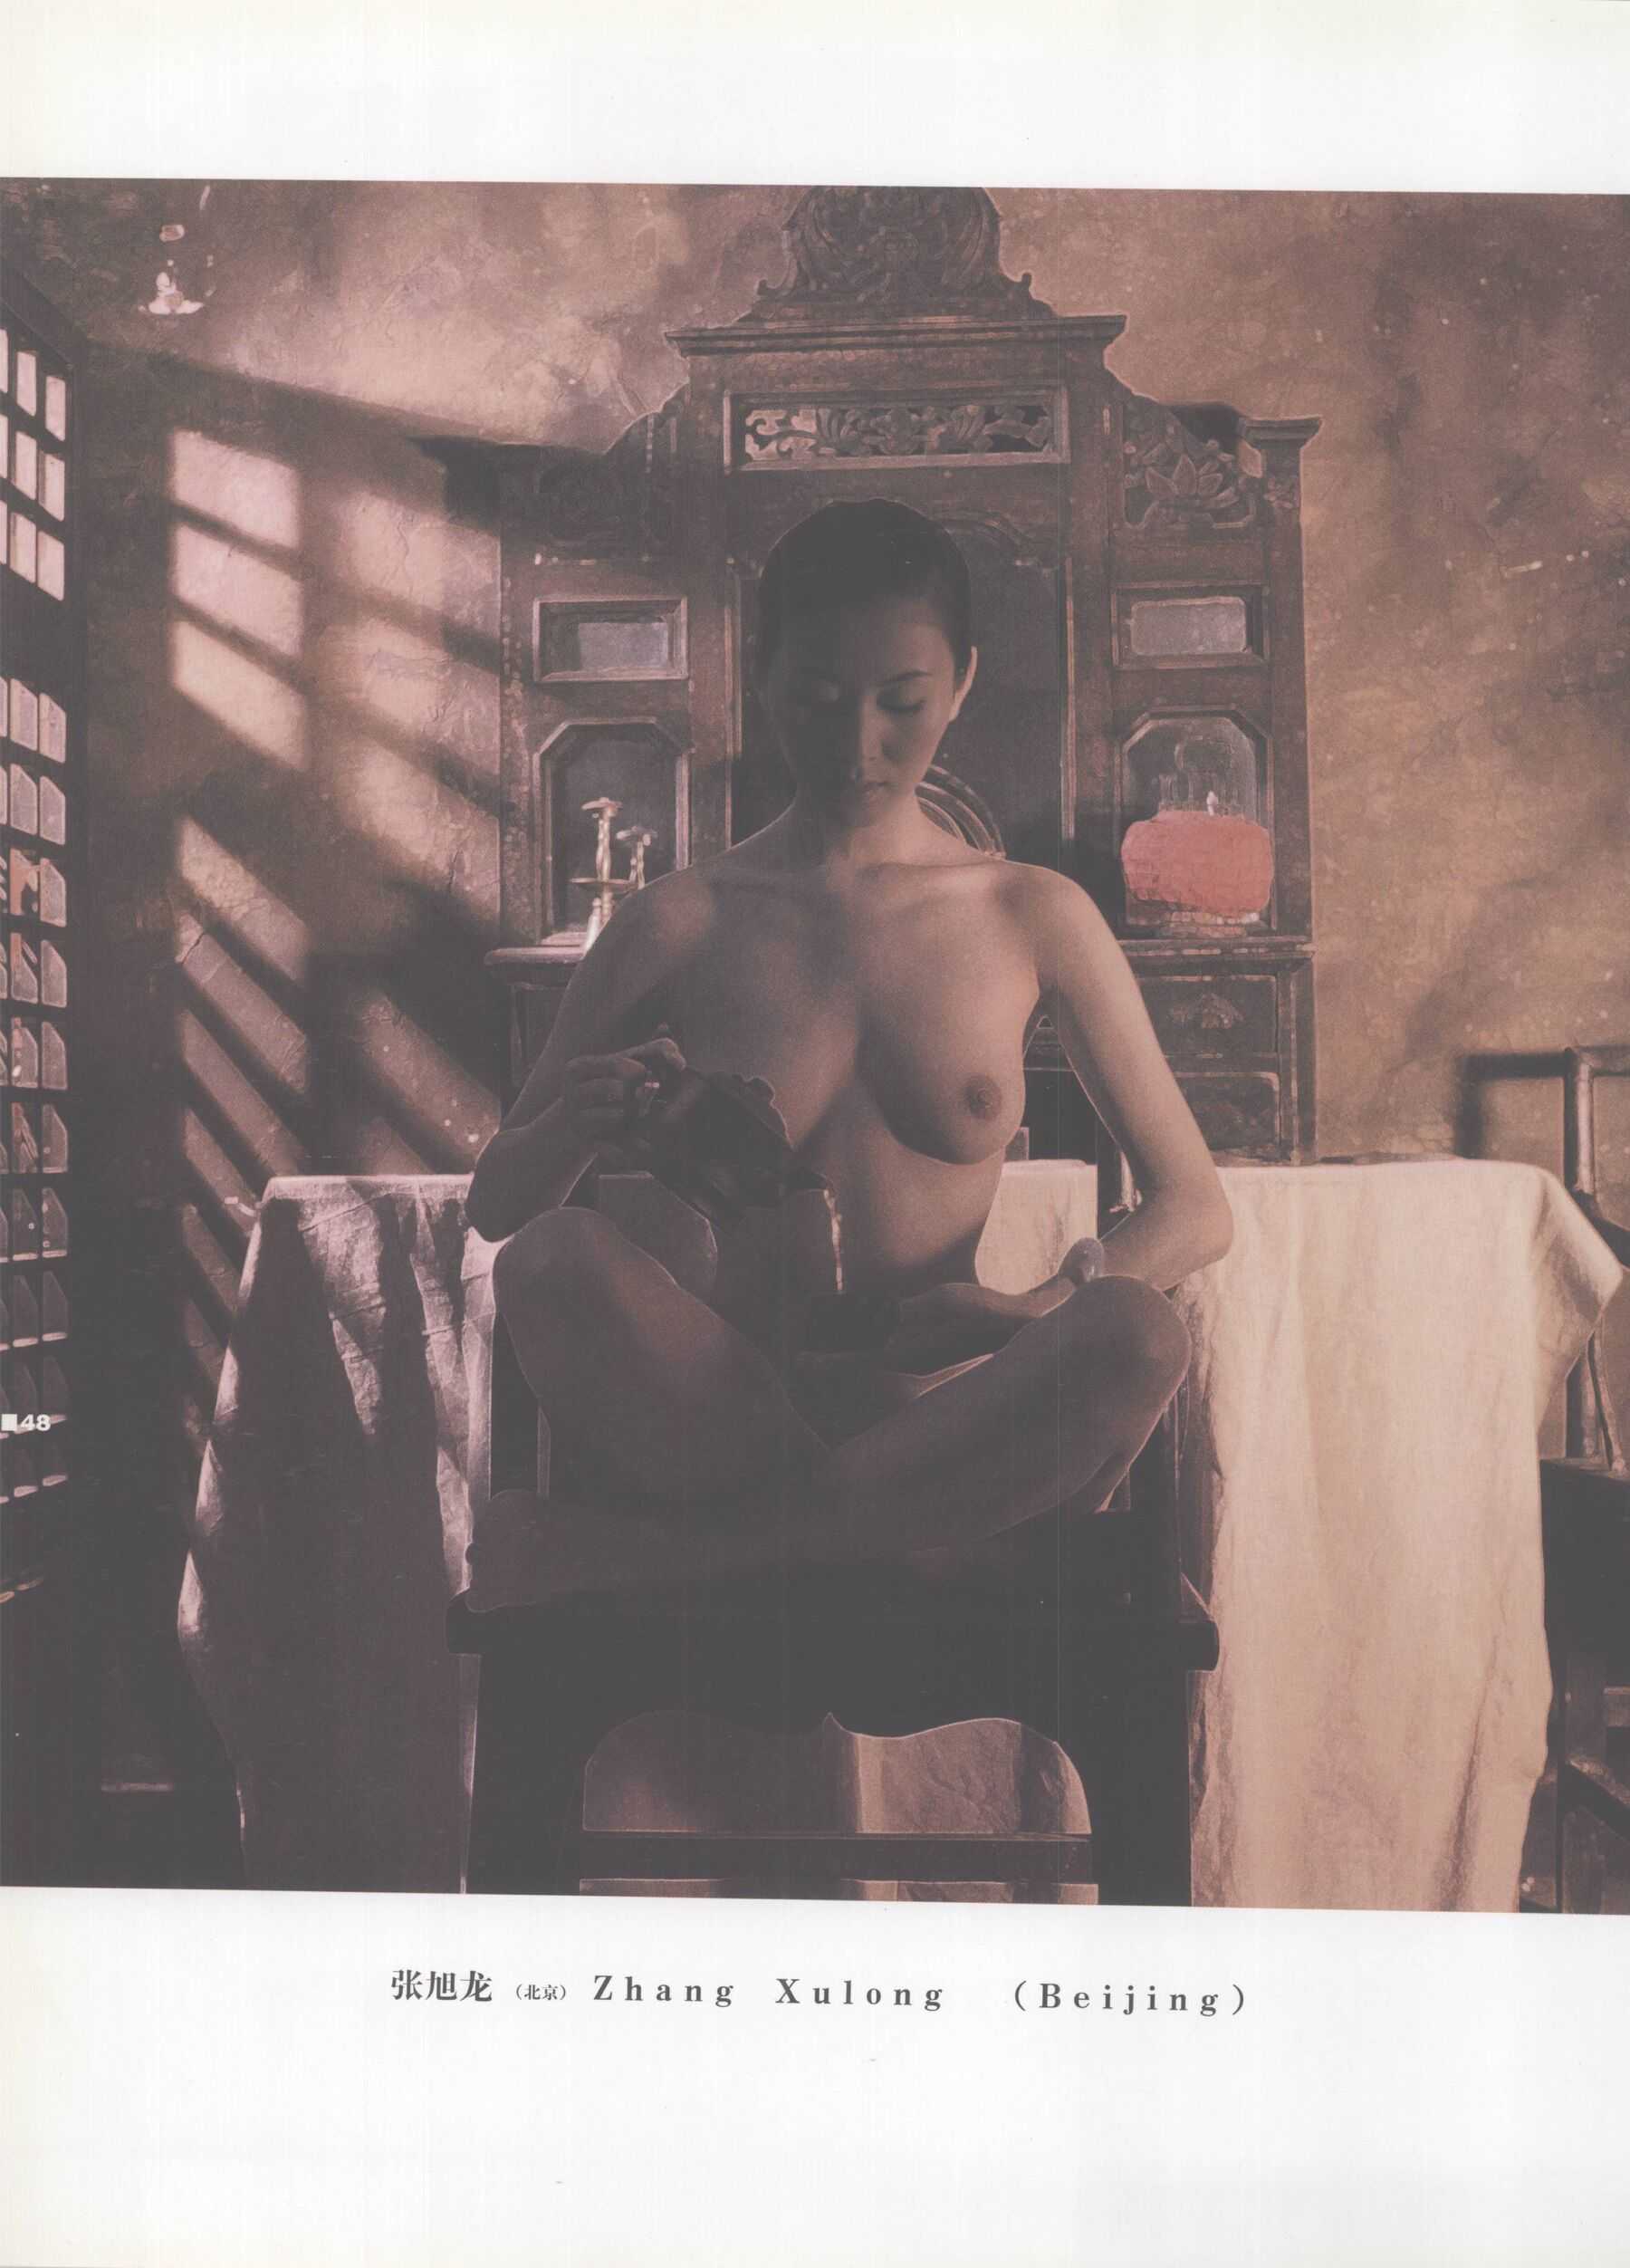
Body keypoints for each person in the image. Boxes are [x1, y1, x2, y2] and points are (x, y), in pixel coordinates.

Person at [464, 500, 1232, 1602]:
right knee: (548, 1261)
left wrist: (1043, 1303)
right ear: (762, 679)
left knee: (1135, 1333)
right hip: (726, 1407)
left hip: (954, 1416)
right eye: (819, 698)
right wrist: (574, 1126)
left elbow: (1195, 1205)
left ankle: (701, 1554)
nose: (859, 744)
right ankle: (896, 1537)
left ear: (961, 684)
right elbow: (501, 1202)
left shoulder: (1031, 912)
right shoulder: (680, 918)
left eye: (901, 702)